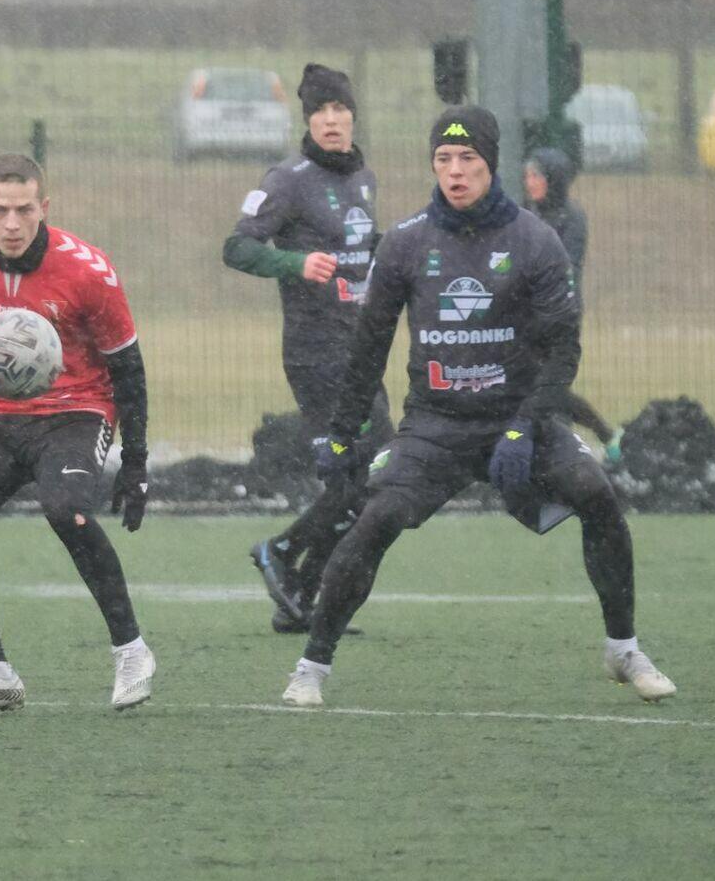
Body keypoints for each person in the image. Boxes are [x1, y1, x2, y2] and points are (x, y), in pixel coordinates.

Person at [281, 105, 677, 707]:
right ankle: (311, 667)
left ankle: (623, 649)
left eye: (468, 158)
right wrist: (340, 433)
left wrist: (524, 427)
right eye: (443, 159)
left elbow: (563, 350)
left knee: (596, 493)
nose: (455, 171)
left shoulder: (535, 240)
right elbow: (368, 347)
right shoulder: (406, 242)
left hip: (518, 419)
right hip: (434, 424)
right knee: (377, 518)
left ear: (490, 165)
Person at [0, 153, 155, 716]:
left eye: (24, 210)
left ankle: (131, 651)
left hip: (77, 412)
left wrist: (136, 462)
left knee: (66, 511)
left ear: (44, 207)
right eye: (0, 210)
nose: (12, 223)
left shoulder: (88, 271)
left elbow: (128, 368)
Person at [222, 63, 393, 634]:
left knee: (365, 480)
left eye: (340, 109)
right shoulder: (288, 180)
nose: (331, 120)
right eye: (320, 111)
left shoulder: (363, 177)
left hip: (359, 348)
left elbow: (363, 250)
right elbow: (237, 248)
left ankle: (296, 592)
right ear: (307, 120)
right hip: (316, 351)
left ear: (353, 116)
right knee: (370, 471)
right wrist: (294, 263)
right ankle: (282, 552)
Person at [523, 148, 623, 462]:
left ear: (554, 180)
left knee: (547, 388)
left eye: (537, 176)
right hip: (526, 314)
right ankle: (584, 439)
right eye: (528, 175)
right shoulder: (526, 213)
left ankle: (601, 436)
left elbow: (565, 266)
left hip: (559, 316)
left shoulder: (571, 217)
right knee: (534, 387)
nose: (530, 182)